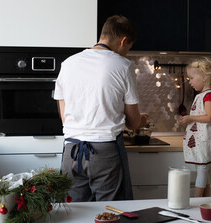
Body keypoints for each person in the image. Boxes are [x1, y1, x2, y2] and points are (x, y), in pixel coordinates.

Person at [53, 15, 148, 202]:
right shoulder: (123, 66)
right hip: (104, 152)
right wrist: (142, 119)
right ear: (123, 41)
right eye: (128, 48)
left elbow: (65, 118)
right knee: (110, 214)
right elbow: (133, 122)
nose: (127, 53)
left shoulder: (68, 63)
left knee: (75, 213)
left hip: (71, 151)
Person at [180, 57, 211, 197]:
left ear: (205, 77)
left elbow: (209, 117)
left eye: (192, 78)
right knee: (202, 169)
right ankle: (205, 199)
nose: (190, 82)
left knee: (202, 169)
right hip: (200, 139)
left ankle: (196, 199)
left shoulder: (209, 96)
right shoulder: (202, 95)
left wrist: (190, 118)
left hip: (205, 139)